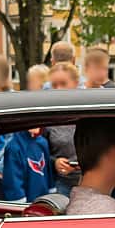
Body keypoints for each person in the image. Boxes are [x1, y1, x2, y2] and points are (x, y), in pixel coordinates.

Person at [43, 61, 82, 189]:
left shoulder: (88, 112)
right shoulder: (46, 117)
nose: (58, 89)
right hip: (60, 183)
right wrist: (55, 162)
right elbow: (40, 153)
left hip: (91, 182)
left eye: (63, 84)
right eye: (54, 85)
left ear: (76, 84)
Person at [0, 127, 56, 202]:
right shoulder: (14, 146)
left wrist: (51, 189)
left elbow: (48, 171)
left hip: (44, 197)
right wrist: (18, 200)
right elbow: (13, 178)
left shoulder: (43, 142)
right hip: (26, 200)